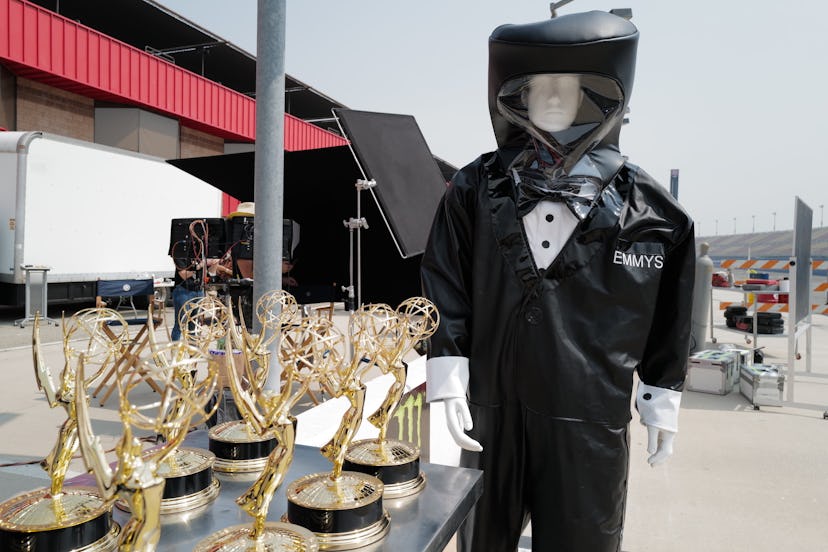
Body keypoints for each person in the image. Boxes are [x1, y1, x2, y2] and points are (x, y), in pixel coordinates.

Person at [421, 11, 695, 552]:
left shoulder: (652, 212)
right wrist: (448, 374)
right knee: (484, 536)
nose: (551, 97)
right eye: (538, 84)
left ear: (597, 97)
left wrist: (662, 397)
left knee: (584, 537)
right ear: (515, 94)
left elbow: (672, 311)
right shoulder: (475, 187)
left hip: (590, 414)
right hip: (491, 407)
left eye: (567, 86)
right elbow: (444, 280)